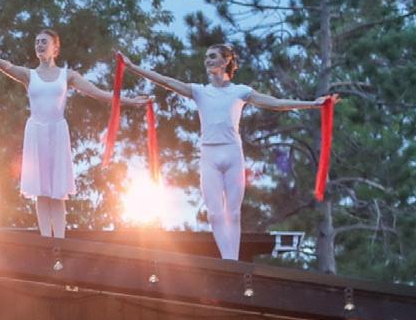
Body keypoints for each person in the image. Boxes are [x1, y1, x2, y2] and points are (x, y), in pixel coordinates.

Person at [128, 46, 330, 260]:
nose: (207, 60)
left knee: (233, 213)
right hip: (209, 155)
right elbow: (165, 81)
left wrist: (312, 105)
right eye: (206, 57)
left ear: (226, 61)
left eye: (212, 56)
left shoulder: (240, 91)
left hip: (232, 153)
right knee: (215, 214)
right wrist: (132, 67)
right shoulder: (199, 91)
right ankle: (229, 260)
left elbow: (276, 104)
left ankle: (232, 261)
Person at [0, 30, 143, 238]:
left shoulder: (67, 76)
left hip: (57, 132)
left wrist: (131, 101)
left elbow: (98, 93)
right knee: (41, 190)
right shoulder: (29, 75)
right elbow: (0, 63)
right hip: (36, 132)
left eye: (44, 42)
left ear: (55, 48)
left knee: (58, 190)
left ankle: (59, 240)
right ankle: (45, 239)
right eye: (37, 42)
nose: (39, 45)